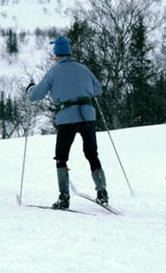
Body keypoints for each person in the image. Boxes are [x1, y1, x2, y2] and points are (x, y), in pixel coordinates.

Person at [27, 36, 109, 209]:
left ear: (56, 54)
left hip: (67, 118)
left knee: (61, 157)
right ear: (69, 52)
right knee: (92, 154)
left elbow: (36, 96)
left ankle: (64, 197)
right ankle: (102, 193)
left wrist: (30, 89)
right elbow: (98, 89)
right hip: (87, 116)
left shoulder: (53, 72)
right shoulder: (83, 69)